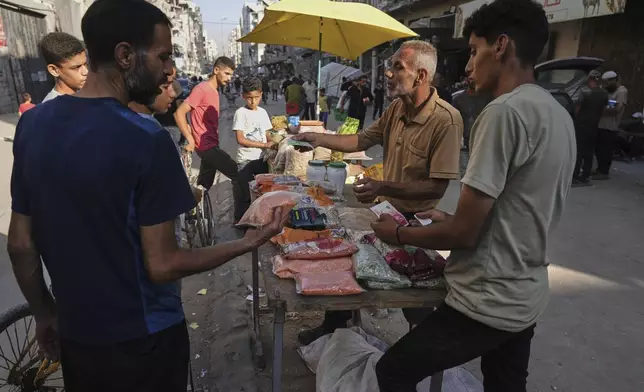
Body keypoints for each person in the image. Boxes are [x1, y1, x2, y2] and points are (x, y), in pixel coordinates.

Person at [7, 1, 284, 391]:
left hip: (77, 334)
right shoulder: (145, 138)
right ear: (124, 55)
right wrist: (248, 242)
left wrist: (43, 313)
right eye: (163, 55)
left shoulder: (33, 124)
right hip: (144, 340)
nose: (170, 69)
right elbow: (164, 264)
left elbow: (20, 244)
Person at [370, 1, 575, 391]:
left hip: (487, 298)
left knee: (392, 371)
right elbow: (526, 206)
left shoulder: (503, 113)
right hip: (525, 293)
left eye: (474, 51)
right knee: (504, 383)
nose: (467, 65)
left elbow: (463, 234)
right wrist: (452, 219)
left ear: (500, 46)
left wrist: (396, 235)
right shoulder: (557, 113)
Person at [293, 39, 463, 345]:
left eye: (398, 67)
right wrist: (315, 138)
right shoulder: (397, 108)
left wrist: (382, 185)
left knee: (413, 296)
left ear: (421, 76)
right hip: (386, 211)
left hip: (417, 220)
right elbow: (360, 141)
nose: (387, 74)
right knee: (352, 265)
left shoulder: (446, 120)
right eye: (390, 66)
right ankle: (334, 326)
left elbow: (436, 185)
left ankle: (418, 354)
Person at [174, 56, 246, 222]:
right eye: (226, 73)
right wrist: (190, 139)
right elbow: (179, 113)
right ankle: (240, 217)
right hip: (206, 147)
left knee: (204, 186)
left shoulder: (214, 92)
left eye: (231, 75)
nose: (229, 78)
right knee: (237, 173)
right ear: (216, 70)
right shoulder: (202, 89)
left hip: (210, 145)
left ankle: (192, 214)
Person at [234, 77, 276, 216]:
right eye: (249, 98)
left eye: (256, 97)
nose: (253, 101)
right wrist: (264, 144)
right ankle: (241, 223)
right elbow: (240, 139)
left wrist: (274, 142)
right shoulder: (241, 113)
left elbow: (267, 134)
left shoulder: (263, 112)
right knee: (245, 195)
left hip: (261, 160)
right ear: (243, 96)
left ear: (261, 95)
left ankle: (256, 220)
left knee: (261, 193)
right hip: (245, 160)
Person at [572, 70, 608, 186]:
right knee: (589, 152)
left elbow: (577, 108)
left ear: (591, 79)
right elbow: (603, 110)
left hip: (582, 125)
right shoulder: (604, 93)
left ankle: (575, 176)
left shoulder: (585, 92)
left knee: (578, 151)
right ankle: (585, 177)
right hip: (593, 126)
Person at [594, 71, 628, 180]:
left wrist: (601, 110)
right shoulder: (607, 91)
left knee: (606, 150)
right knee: (598, 149)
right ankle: (599, 169)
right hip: (601, 124)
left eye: (607, 82)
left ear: (613, 80)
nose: (606, 85)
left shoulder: (621, 91)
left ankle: (604, 172)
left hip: (610, 126)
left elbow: (617, 109)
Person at [38, 32, 88, 102]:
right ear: (54, 70)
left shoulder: (89, 94)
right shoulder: (52, 109)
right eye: (76, 67)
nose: (86, 72)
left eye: (85, 64)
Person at [452, 78, 493, 150]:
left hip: (483, 143)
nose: (473, 80)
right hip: (465, 145)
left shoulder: (489, 98)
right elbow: (454, 122)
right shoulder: (458, 99)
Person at [155, 65, 185, 145]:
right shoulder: (176, 85)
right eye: (166, 87)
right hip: (171, 126)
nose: (173, 94)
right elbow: (179, 112)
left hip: (161, 124)